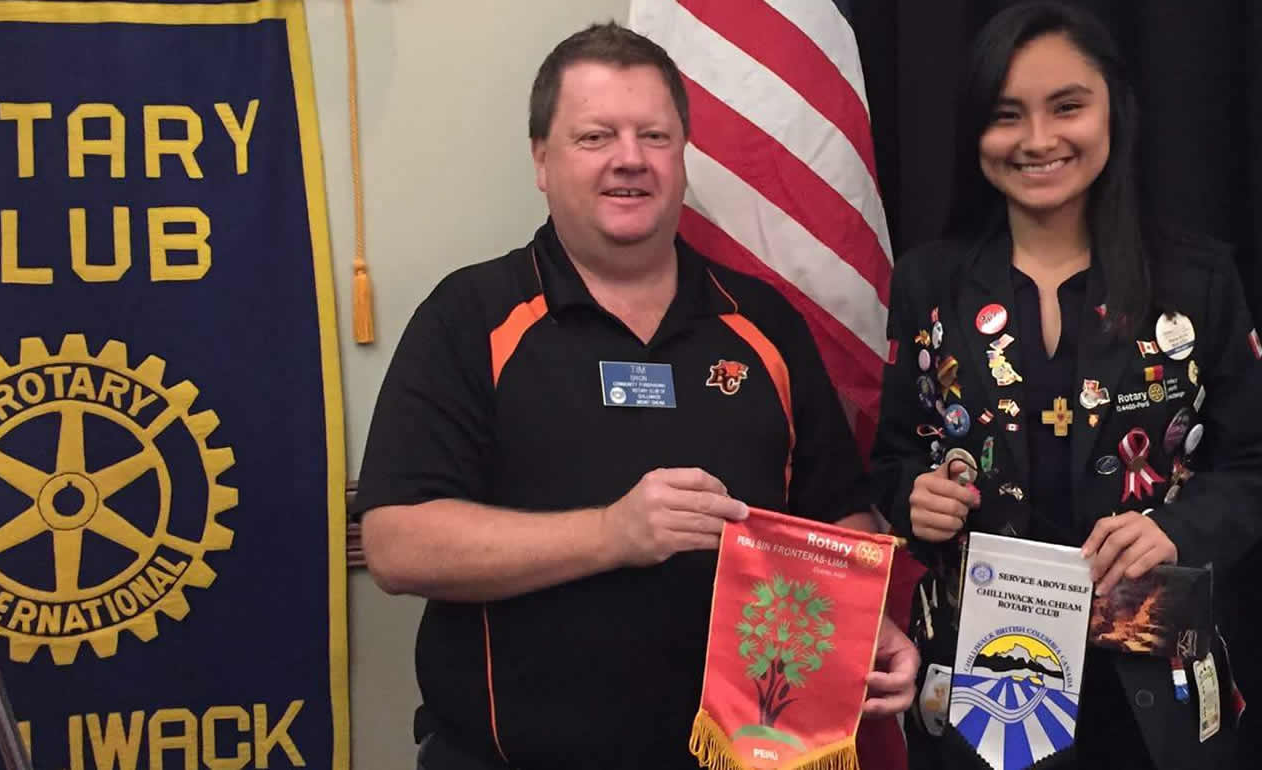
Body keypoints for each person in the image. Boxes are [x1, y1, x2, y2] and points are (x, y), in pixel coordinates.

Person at [352, 22, 918, 770]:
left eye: (654, 136)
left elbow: (834, 509)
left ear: (683, 156)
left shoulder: (765, 323)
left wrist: (861, 622)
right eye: (595, 137)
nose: (629, 158)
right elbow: (396, 544)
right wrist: (612, 534)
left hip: (750, 756)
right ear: (542, 160)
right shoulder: (469, 317)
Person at [870, 3, 1262, 769]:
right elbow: (896, 453)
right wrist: (913, 497)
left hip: (1151, 681)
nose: (1038, 140)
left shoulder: (1195, 281)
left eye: (1067, 106)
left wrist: (1178, 528)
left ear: (1114, 111)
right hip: (987, 683)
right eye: (1007, 115)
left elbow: (1261, 461)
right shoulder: (929, 281)